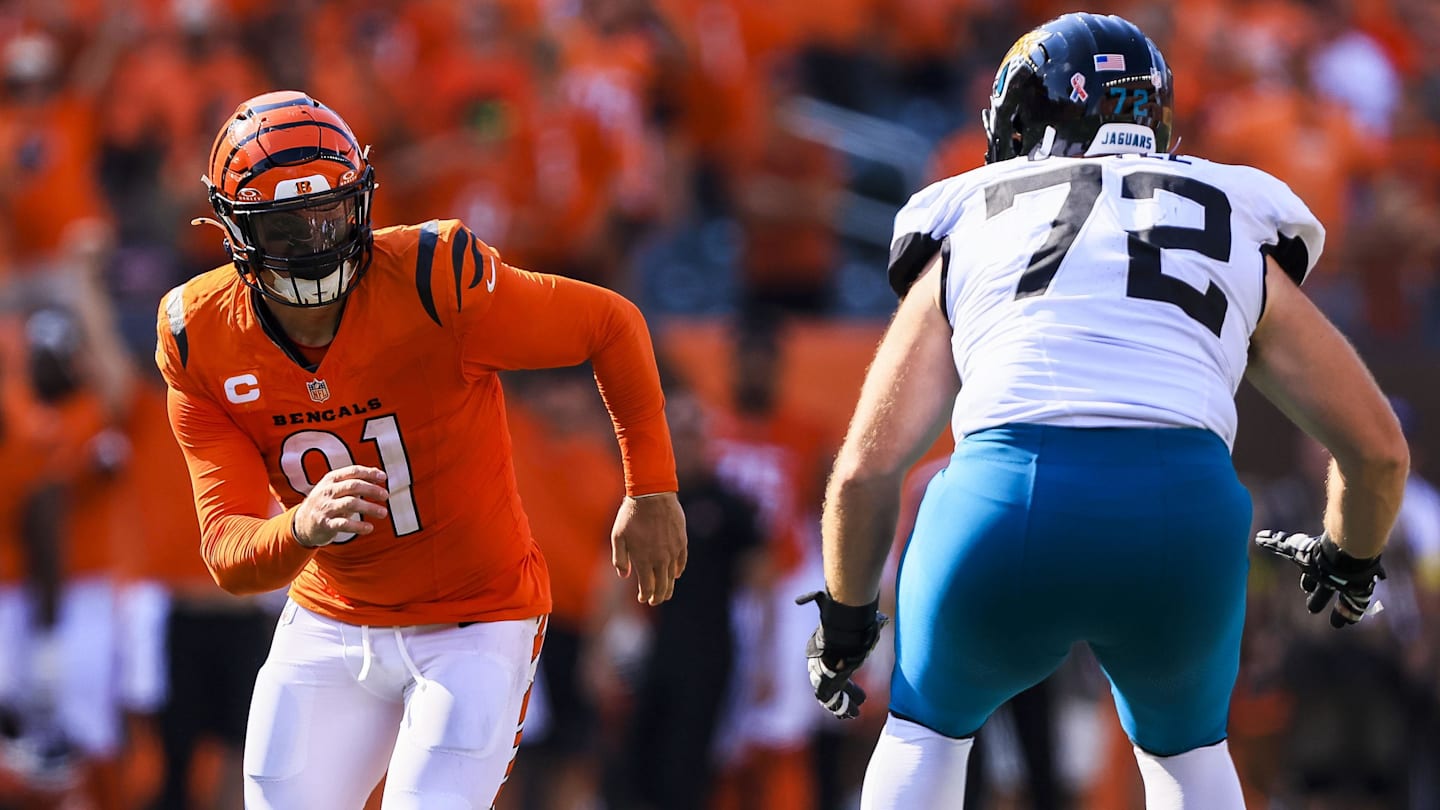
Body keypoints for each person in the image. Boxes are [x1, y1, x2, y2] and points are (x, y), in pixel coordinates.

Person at [797, 12, 1408, 810]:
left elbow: (864, 472)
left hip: (1005, 499)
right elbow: (1378, 453)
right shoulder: (1233, 213)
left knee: (923, 735)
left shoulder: (967, 215)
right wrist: (1353, 555)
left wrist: (846, 620)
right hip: (1183, 516)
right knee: (1191, 756)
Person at [154, 90, 687, 809]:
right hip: (332, 618)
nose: (315, 241)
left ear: (362, 201)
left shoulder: (435, 281)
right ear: (234, 230)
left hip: (475, 618)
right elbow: (227, 552)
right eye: (286, 225)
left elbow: (609, 323)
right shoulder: (200, 337)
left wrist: (650, 487)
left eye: (330, 213)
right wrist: (301, 527)